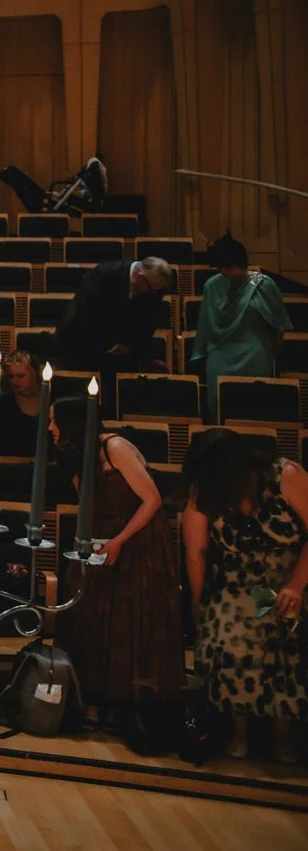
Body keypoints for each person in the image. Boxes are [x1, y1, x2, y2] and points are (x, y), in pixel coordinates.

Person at [50, 398, 181, 726]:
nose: (50, 428)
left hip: (135, 543)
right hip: (101, 541)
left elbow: (152, 499)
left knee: (125, 621)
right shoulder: (79, 456)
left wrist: (120, 541)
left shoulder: (115, 447)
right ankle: (92, 699)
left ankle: (124, 703)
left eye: (55, 421)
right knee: (91, 619)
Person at [181, 431, 308, 761]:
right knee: (230, 623)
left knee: (285, 625)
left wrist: (295, 584)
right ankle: (238, 730)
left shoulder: (285, 476)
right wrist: (197, 603)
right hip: (238, 583)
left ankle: (285, 730)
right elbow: (196, 551)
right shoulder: (206, 488)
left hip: (292, 576)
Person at [191, 233, 289, 413]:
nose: (226, 271)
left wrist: (269, 355)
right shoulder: (212, 286)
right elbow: (204, 325)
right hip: (220, 357)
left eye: (230, 266)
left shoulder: (264, 285)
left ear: (241, 261)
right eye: (222, 267)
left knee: (253, 411)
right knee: (221, 410)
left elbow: (279, 327)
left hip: (254, 357)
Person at [51, 256, 173, 386]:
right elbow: (85, 317)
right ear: (138, 276)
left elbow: (147, 322)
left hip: (120, 351)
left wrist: (137, 350)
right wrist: (110, 346)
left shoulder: (153, 287)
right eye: (151, 288)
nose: (153, 293)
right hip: (81, 343)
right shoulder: (102, 275)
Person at [0, 350, 44, 459]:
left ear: (34, 374)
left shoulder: (50, 401)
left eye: (21, 376)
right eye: (11, 377)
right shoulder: (5, 404)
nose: (15, 381)